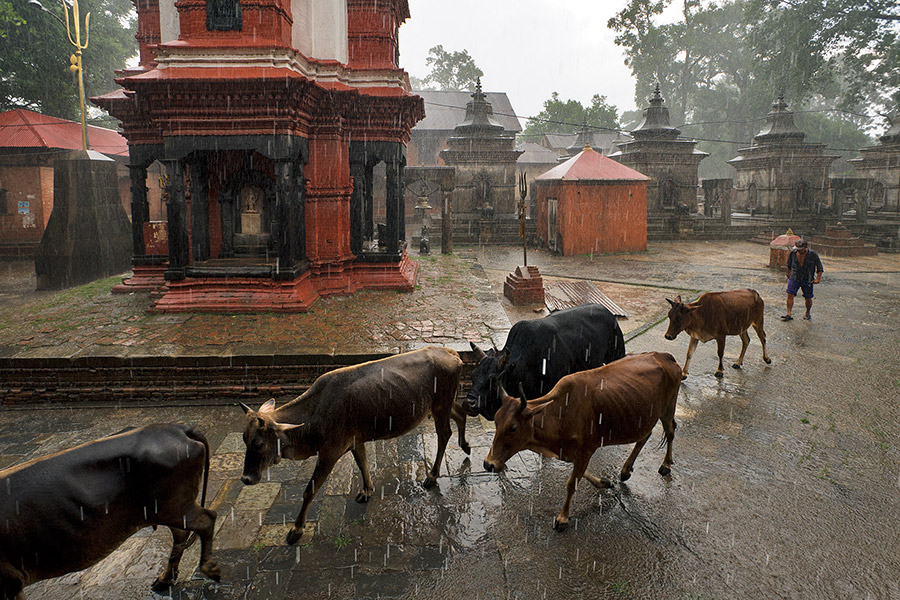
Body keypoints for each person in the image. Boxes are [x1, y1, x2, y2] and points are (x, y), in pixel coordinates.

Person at [782, 239, 823, 321]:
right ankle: (788, 313)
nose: (798, 251)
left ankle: (807, 313)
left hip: (807, 278)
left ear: (805, 248)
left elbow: (820, 268)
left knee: (808, 297)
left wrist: (818, 278)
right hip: (795, 277)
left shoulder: (813, 254)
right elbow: (789, 265)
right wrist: (788, 273)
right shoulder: (793, 253)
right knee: (790, 294)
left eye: (800, 250)